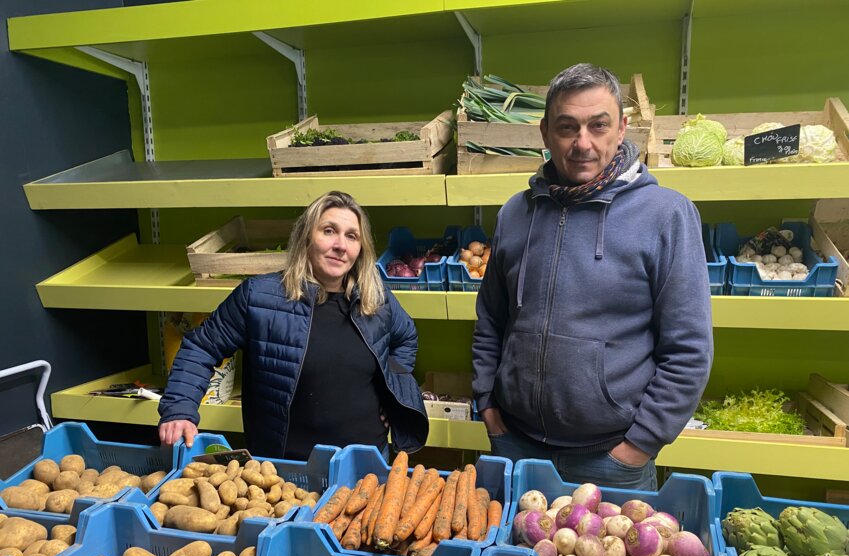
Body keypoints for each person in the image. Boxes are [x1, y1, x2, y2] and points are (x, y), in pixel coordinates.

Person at [472, 63, 713, 490]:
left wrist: (640, 444)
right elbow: (491, 318)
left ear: (621, 130)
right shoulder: (515, 213)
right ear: (545, 133)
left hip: (610, 459)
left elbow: (689, 348)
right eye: (567, 127)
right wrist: (487, 404)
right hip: (514, 444)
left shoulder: (666, 215)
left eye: (598, 126)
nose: (583, 143)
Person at [158, 191, 429, 460]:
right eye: (329, 231)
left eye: (352, 236)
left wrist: (392, 393)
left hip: (367, 461)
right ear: (306, 237)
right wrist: (179, 409)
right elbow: (202, 347)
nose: (341, 245)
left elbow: (406, 338)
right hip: (284, 468)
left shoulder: (376, 299)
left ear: (361, 249)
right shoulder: (259, 297)